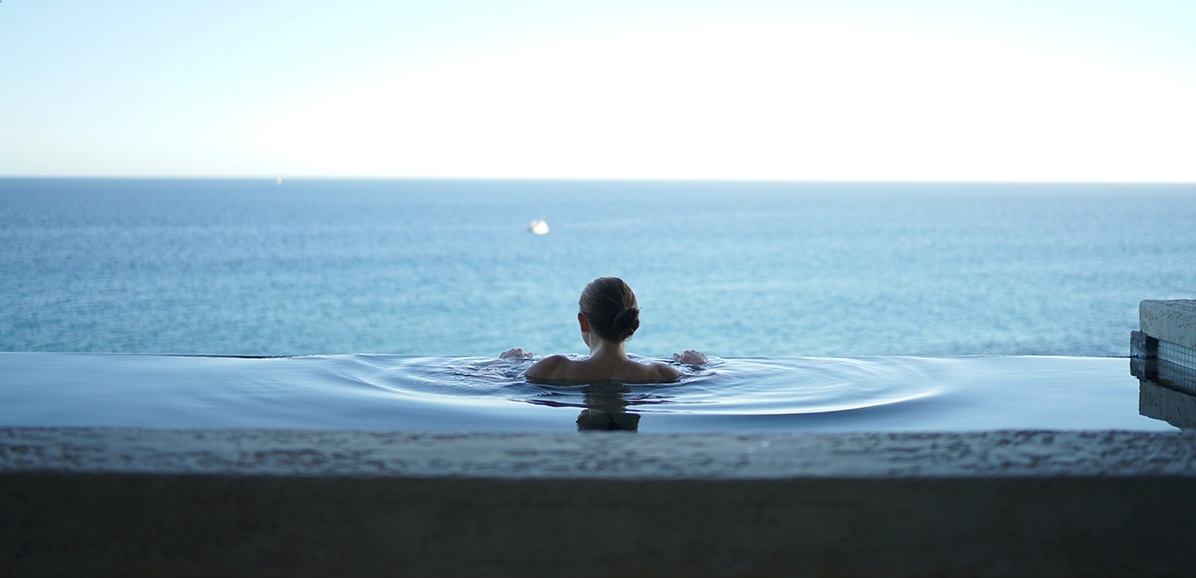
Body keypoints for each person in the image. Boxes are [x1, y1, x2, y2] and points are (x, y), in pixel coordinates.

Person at [502, 276, 706, 383]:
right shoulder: (661, 374)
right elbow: (702, 382)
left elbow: (501, 383)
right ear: (632, 323)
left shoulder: (554, 369)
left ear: (583, 322)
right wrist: (698, 365)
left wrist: (507, 364)